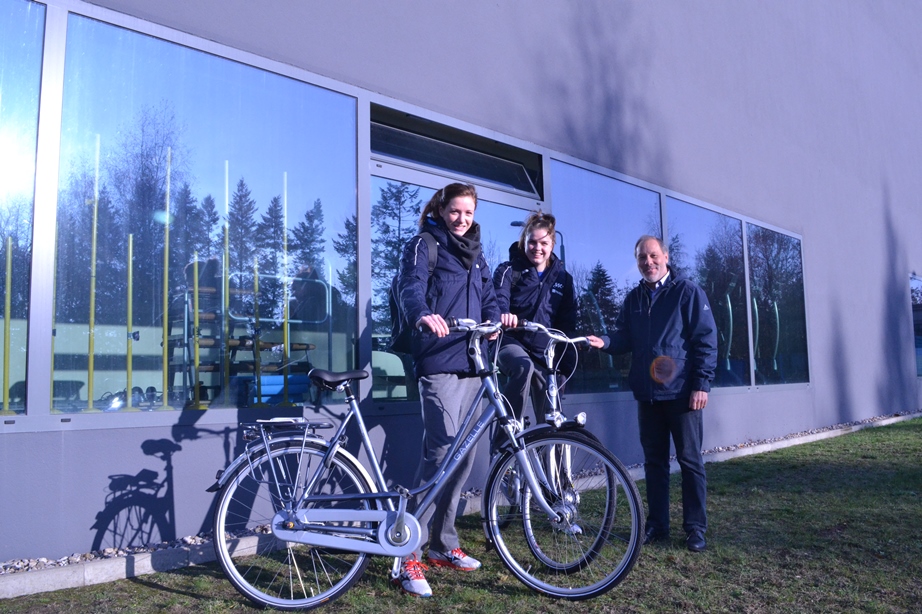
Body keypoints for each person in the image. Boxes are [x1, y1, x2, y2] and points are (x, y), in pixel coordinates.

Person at [394, 182, 501, 597]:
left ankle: (443, 544)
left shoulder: (477, 253)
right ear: (441, 210)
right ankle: (408, 554)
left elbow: (490, 296)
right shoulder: (424, 244)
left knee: (465, 456)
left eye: (468, 213)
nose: (462, 219)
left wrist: (494, 320)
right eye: (455, 212)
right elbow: (411, 285)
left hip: (474, 362)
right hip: (439, 359)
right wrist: (422, 314)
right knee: (440, 453)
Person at [588, 235, 717, 552]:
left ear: (666, 256)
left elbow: (706, 340)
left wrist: (701, 384)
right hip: (648, 396)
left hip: (682, 395)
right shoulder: (633, 299)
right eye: (642, 258)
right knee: (654, 464)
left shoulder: (687, 292)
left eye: (653, 255)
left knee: (690, 461)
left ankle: (695, 529)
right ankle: (658, 526)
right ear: (637, 262)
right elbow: (623, 338)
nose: (648, 262)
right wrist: (605, 342)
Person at [493, 212, 577, 433]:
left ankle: (551, 461)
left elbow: (567, 323)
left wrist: (564, 365)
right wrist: (504, 313)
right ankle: (507, 440)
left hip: (544, 350)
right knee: (523, 366)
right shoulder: (509, 270)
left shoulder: (563, 279)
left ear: (552, 244)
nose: (537, 248)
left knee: (552, 413)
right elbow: (497, 299)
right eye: (532, 242)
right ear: (524, 242)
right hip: (512, 341)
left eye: (543, 243)